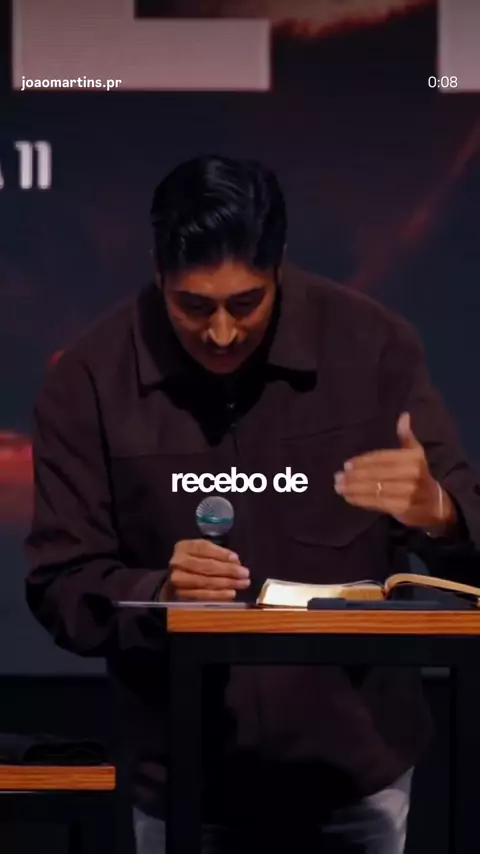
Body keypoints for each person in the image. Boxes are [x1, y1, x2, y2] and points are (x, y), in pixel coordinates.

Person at [24, 154, 480, 854]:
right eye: (194, 307)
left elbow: (468, 536)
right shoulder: (89, 379)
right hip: (182, 781)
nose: (221, 333)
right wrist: (159, 592)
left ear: (280, 266)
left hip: (356, 775)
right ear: (158, 272)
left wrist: (439, 510)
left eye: (245, 304)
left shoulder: (373, 345)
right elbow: (61, 583)